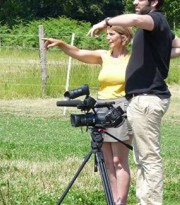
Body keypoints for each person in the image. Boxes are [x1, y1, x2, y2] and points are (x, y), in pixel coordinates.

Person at [88, 0, 180, 205]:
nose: (134, 1)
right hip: (142, 99)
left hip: (146, 99)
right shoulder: (156, 27)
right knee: (143, 158)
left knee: (149, 158)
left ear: (154, 2)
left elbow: (133, 20)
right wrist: (156, 59)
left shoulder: (155, 20)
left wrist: (105, 22)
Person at [43, 26, 135, 205]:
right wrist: (61, 44)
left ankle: (120, 202)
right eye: (107, 34)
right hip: (101, 106)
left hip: (121, 107)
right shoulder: (104, 56)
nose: (107, 38)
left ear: (123, 37)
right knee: (107, 161)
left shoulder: (133, 58)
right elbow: (78, 52)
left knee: (118, 161)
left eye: (111, 34)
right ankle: (112, 200)